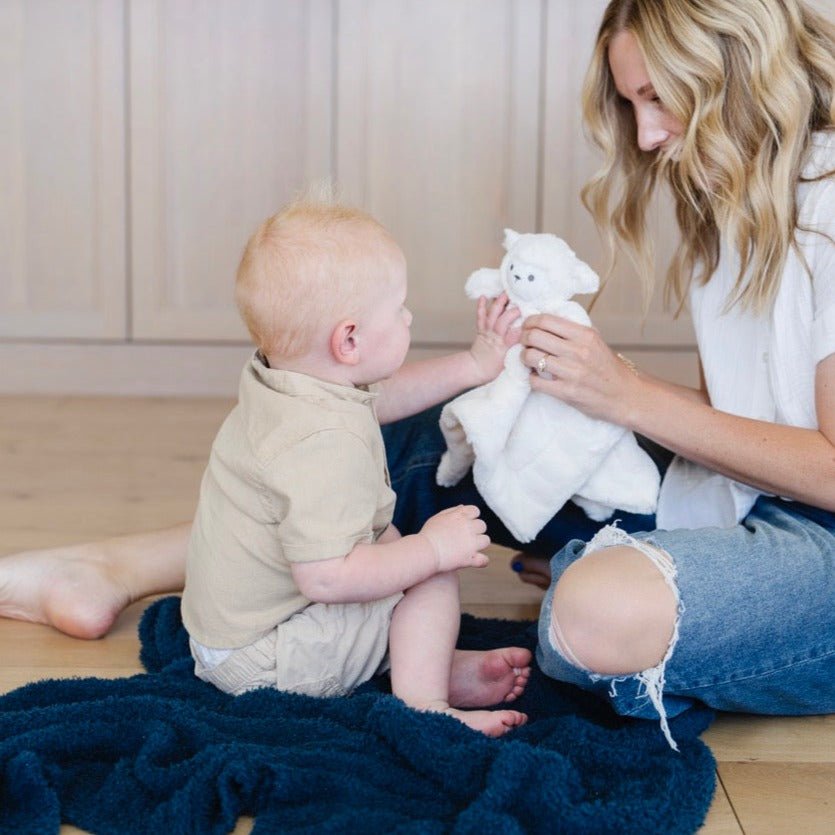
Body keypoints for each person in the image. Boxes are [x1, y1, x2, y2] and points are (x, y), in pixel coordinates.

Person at [1, 0, 834, 748]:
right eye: (631, 104)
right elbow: (743, 420)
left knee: (587, 610)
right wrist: (572, 402)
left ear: (734, 70)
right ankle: (118, 565)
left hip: (816, 538)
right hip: (739, 492)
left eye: (658, 97)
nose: (646, 135)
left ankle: (601, 564)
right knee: (400, 428)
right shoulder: (737, 197)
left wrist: (624, 397)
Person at [182, 197, 531, 736]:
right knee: (431, 573)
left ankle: (425, 660)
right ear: (349, 340)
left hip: (230, 636)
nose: (408, 316)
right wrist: (434, 549)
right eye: (399, 308)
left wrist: (474, 364)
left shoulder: (287, 381)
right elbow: (326, 578)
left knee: (396, 551)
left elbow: (381, 397)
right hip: (269, 659)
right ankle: (427, 705)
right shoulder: (323, 446)